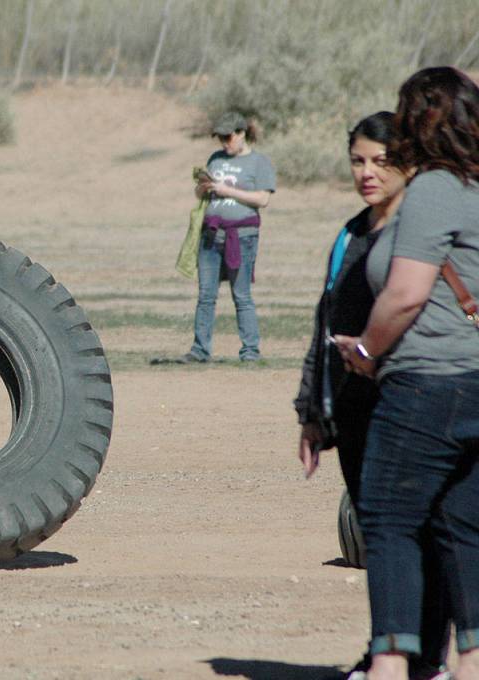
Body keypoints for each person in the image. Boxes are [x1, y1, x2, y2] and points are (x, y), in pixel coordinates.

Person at [334, 67, 479, 680]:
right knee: (460, 528)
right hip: (474, 383)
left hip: (425, 382)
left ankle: (389, 665)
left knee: (387, 522)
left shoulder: (436, 190)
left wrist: (366, 352)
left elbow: (404, 295)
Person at [294, 112, 450, 680]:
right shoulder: (352, 232)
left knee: (424, 536)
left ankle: (425, 657)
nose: (367, 173)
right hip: (356, 410)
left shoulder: (422, 234)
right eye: (358, 160)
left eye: (381, 162)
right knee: (382, 535)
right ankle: (391, 650)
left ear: (409, 164)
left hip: (411, 405)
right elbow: (325, 321)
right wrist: (312, 412)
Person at [182, 111, 276, 363]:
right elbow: (201, 196)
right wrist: (203, 188)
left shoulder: (259, 163)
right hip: (211, 235)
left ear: (242, 133)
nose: (224, 143)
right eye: (221, 138)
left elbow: (263, 199)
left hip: (242, 236)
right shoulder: (215, 159)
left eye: (228, 137)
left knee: (241, 295)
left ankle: (250, 351)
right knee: (206, 295)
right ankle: (200, 350)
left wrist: (227, 190)